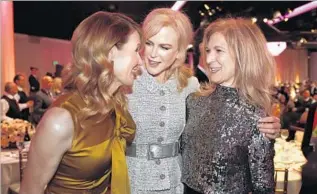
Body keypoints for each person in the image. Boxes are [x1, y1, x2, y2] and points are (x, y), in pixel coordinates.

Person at [126, 9, 280, 194]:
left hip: (175, 184)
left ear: (178, 51)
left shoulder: (189, 87)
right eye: (149, 43)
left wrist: (270, 129)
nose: (152, 54)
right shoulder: (126, 81)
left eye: (164, 47)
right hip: (133, 181)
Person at [20, 11, 143, 194]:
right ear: (110, 52)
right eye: (136, 51)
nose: (140, 61)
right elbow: (30, 190)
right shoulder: (61, 119)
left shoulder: (113, 106)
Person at [182, 18, 276, 193]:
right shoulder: (194, 101)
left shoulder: (256, 117)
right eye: (208, 50)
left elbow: (263, 188)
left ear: (242, 54)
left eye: (219, 51)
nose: (209, 59)